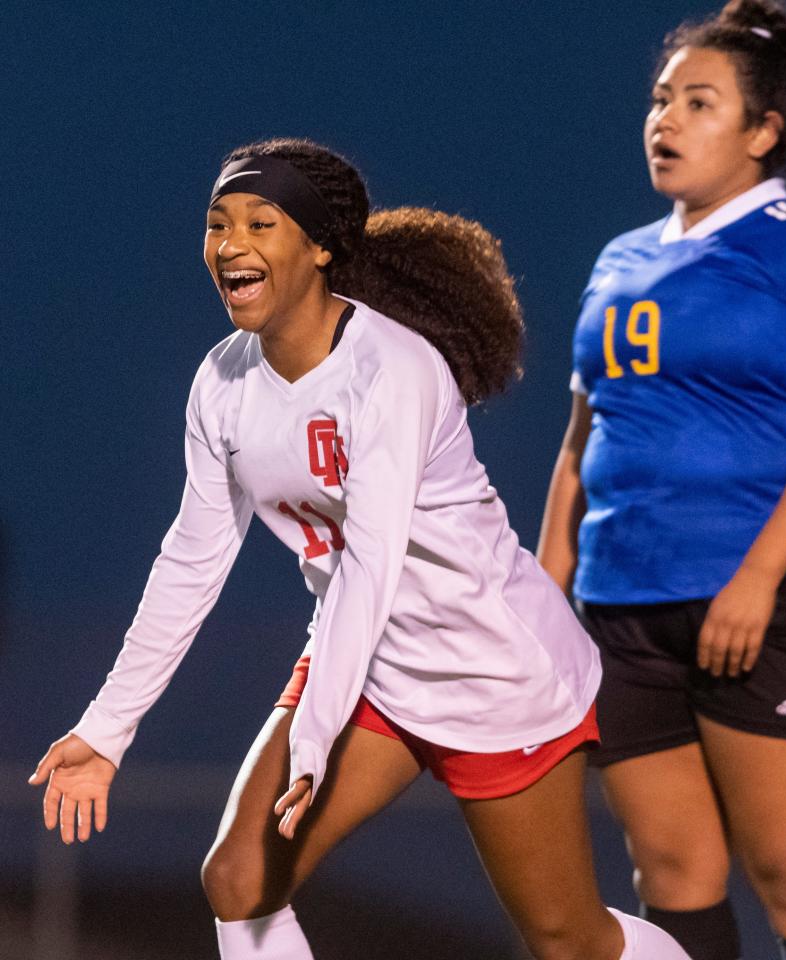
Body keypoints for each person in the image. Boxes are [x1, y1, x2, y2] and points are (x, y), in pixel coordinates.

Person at [29, 137, 691, 960]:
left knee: (570, 941)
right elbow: (192, 559)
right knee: (239, 879)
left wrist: (313, 741)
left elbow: (374, 564)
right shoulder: (221, 381)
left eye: (259, 223)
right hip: (368, 667)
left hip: (491, 671)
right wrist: (106, 729)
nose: (230, 245)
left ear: (320, 247)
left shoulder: (394, 369)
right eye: (216, 224)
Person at [537, 3, 786, 959]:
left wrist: (755, 577)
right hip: (621, 610)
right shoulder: (620, 260)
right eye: (660, 101)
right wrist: (543, 592)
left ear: (764, 130)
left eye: (699, 102)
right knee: (672, 876)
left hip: (767, 603)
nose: (667, 120)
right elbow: (581, 445)